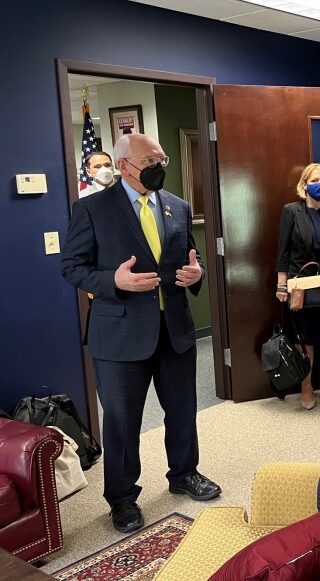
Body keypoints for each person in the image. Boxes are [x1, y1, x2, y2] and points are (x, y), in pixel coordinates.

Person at [60, 133, 221, 535]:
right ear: (125, 165)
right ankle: (122, 498)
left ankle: (184, 473)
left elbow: (190, 255)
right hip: (119, 335)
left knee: (183, 411)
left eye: (162, 157)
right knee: (121, 421)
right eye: (151, 159)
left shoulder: (177, 207)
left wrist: (196, 273)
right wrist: (113, 281)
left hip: (175, 330)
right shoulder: (92, 208)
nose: (159, 164)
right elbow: (72, 267)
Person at [275, 163, 320, 409]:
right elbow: (283, 251)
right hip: (301, 286)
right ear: (304, 185)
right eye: (314, 180)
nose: (319, 185)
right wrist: (281, 284)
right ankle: (306, 387)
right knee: (305, 339)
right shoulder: (292, 211)